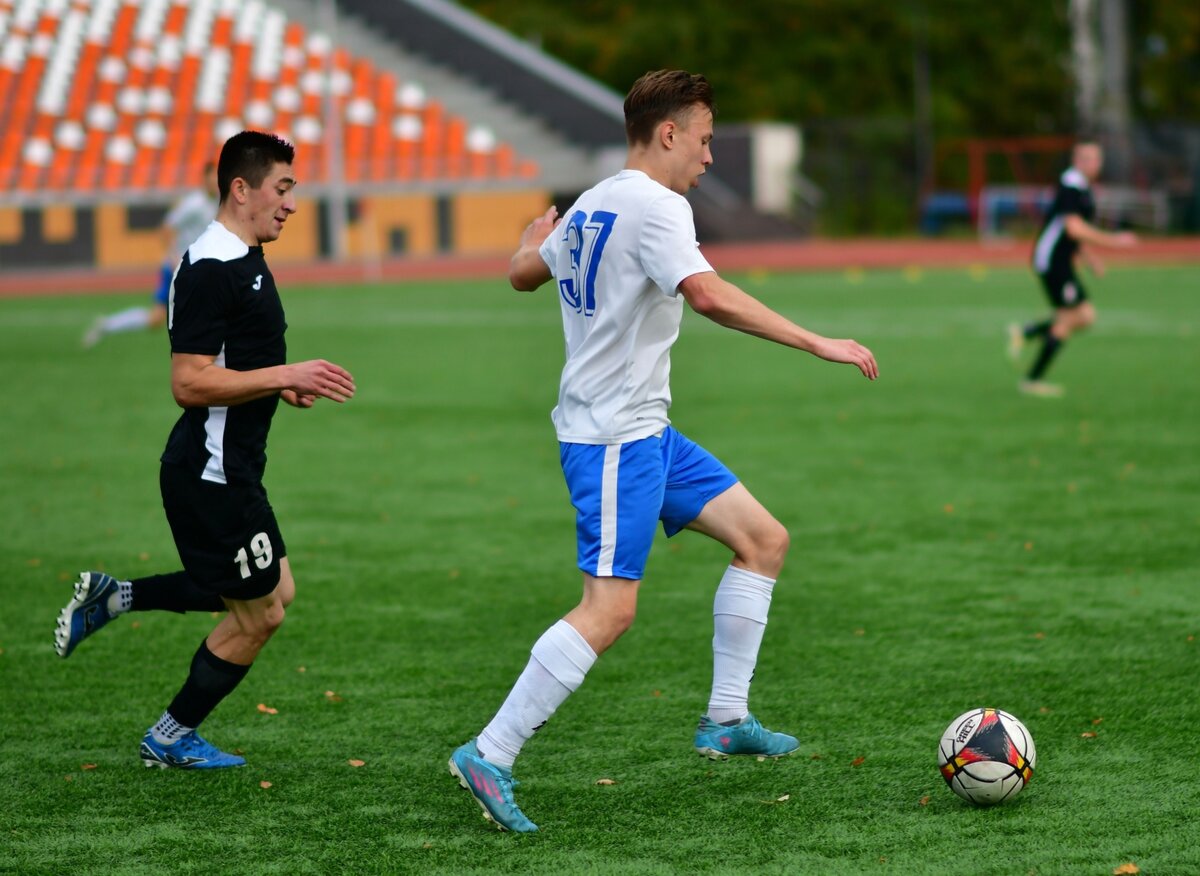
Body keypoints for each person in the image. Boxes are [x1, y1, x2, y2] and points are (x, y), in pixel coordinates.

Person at [449, 70, 878, 833]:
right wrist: (819, 341)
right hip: (613, 439)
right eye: (706, 140)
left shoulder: (592, 202)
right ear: (669, 133)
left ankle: (725, 719)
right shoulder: (657, 205)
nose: (711, 157)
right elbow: (707, 295)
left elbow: (523, 275)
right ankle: (491, 752)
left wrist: (530, 244)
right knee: (609, 610)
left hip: (648, 432)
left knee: (762, 540)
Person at [54, 131, 356, 769]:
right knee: (261, 616)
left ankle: (116, 598)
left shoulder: (243, 252)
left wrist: (279, 386)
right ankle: (168, 737)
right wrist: (282, 376)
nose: (291, 205)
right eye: (282, 188)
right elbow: (188, 382)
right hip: (211, 476)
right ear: (241, 189)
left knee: (277, 591)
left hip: (233, 467)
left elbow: (234, 359)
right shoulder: (210, 265)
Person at [1008, 140, 1138, 397]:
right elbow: (1073, 228)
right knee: (1075, 317)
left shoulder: (1081, 187)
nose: (1095, 164)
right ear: (1077, 161)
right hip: (1052, 261)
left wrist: (1091, 259)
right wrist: (1114, 241)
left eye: (1097, 159)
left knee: (1080, 317)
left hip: (1061, 260)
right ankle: (1031, 375)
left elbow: (1072, 234)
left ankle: (1027, 336)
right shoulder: (1071, 186)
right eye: (1089, 158)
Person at [82, 161, 220, 348]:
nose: (217, 180)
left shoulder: (218, 203)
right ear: (205, 178)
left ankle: (107, 325)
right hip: (179, 269)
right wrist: (174, 257)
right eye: (214, 176)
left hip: (195, 269)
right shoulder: (193, 204)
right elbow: (166, 229)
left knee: (158, 318)